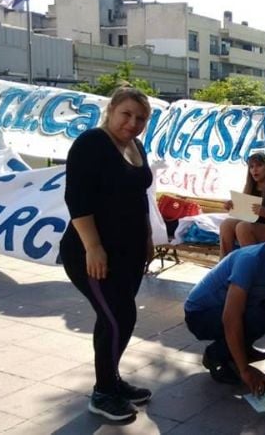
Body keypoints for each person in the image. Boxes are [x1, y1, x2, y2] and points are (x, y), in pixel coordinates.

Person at [59, 87, 154, 421]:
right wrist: (93, 247)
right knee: (120, 316)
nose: (132, 123)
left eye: (140, 118)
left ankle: (111, 381)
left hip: (128, 253)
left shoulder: (135, 146)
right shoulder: (91, 144)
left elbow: (139, 196)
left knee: (113, 318)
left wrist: (146, 236)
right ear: (111, 109)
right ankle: (102, 393)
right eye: (126, 114)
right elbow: (77, 200)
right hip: (92, 253)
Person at [184, 216, 265, 393]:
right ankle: (216, 356)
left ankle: (241, 349)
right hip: (200, 314)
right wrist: (245, 370)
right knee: (254, 318)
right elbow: (231, 318)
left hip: (228, 309)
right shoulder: (250, 260)